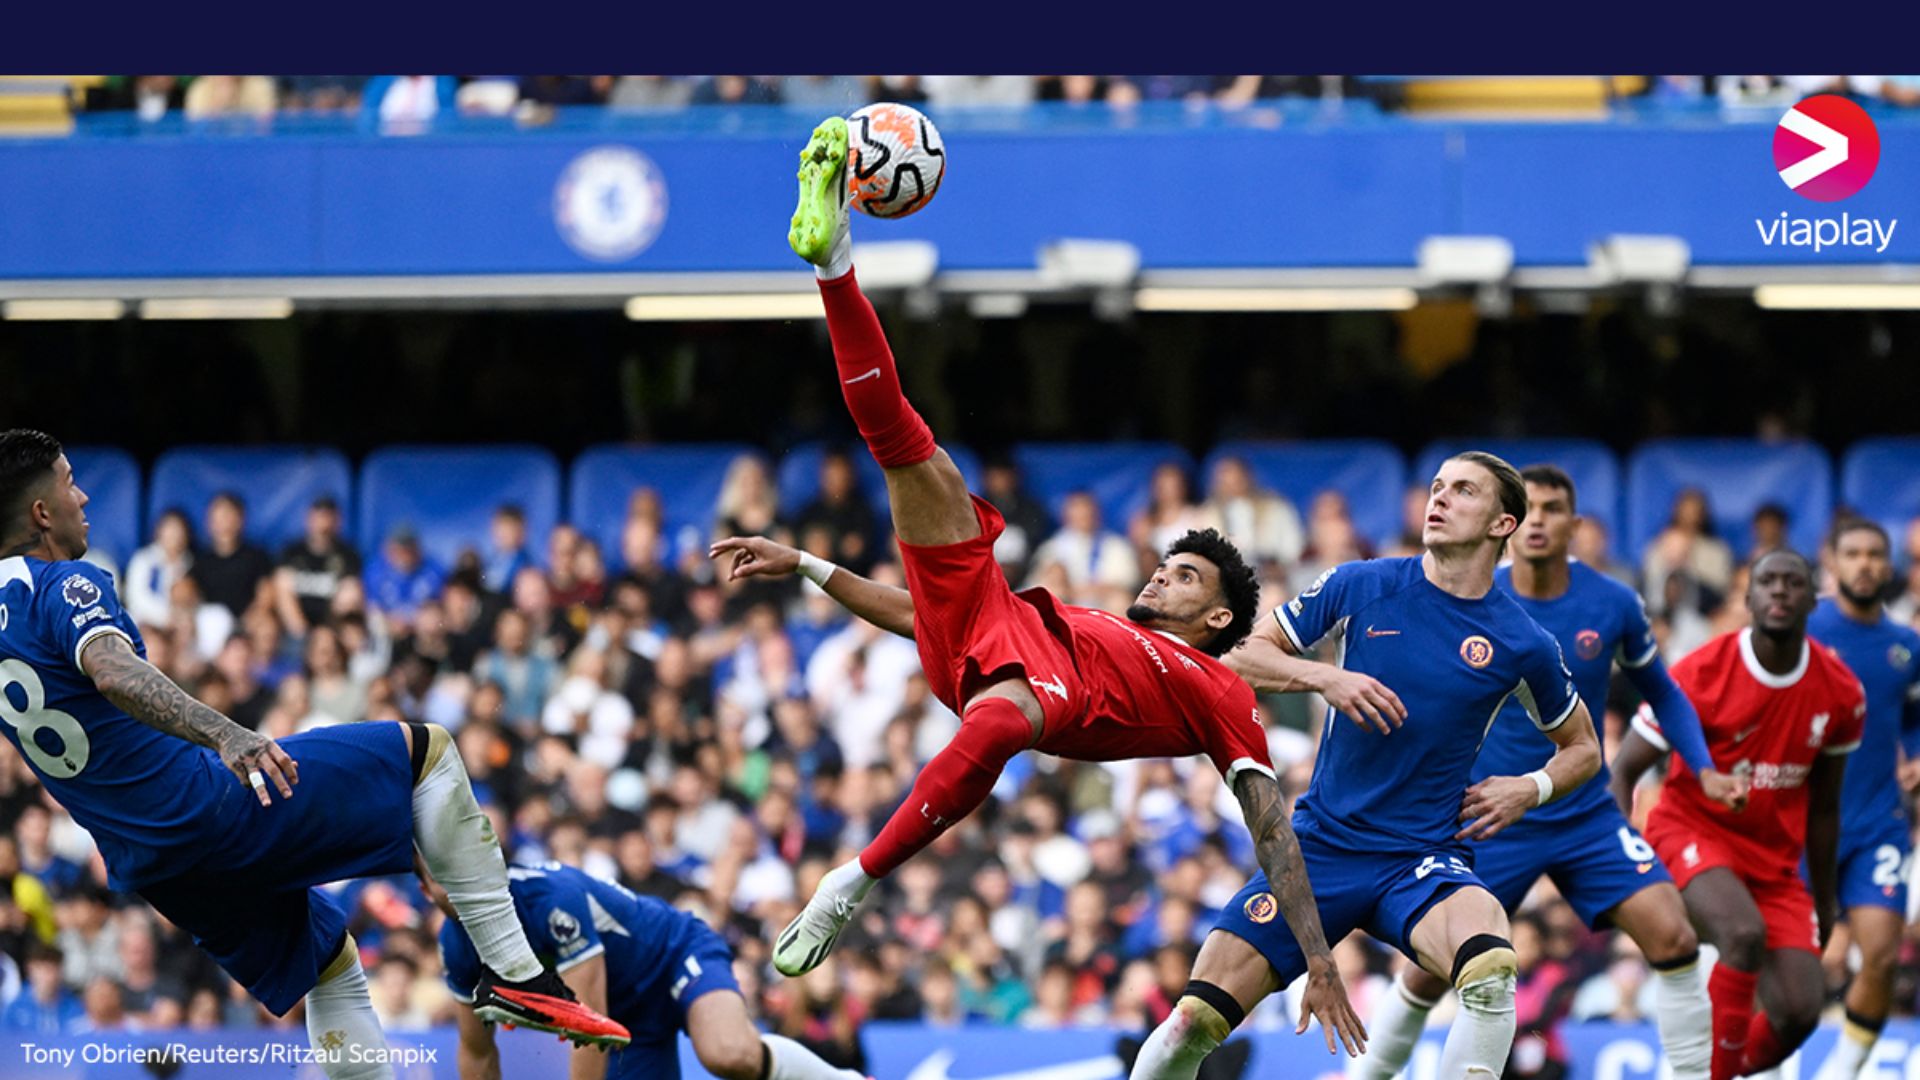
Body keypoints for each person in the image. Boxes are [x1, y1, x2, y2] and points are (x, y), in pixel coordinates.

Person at [722, 116, 1365, 1056]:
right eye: (1165, 560)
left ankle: (850, 883)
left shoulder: (1220, 689)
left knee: (1006, 714)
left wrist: (1318, 958)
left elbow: (1271, 825)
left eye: (1183, 575)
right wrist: (814, 567)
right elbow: (924, 624)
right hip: (989, 626)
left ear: (1219, 616)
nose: (1159, 572)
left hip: (1034, 694)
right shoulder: (1096, 615)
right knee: (911, 454)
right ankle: (833, 262)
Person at [0, 430, 628, 1080]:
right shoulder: (60, 585)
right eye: (69, 482)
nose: (82, 495)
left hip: (153, 869)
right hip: (205, 806)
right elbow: (111, 671)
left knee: (327, 957)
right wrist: (226, 733)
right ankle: (517, 973)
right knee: (428, 749)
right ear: (41, 513)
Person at [1136, 450, 1603, 1080]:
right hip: (1321, 850)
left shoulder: (1523, 642)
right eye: (1437, 486)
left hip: (1422, 858)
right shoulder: (1361, 584)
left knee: (1491, 975)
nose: (1439, 498)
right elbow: (1238, 655)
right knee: (1191, 1026)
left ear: (1503, 525)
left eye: (1463, 491)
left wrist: (1530, 787)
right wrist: (1324, 676)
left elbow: (1583, 748)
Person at [1346, 465, 1741, 1080]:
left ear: (1574, 525)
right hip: (1491, 813)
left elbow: (1662, 692)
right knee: (1427, 974)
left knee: (1676, 939)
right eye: (1530, 509)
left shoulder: (1612, 603)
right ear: (1508, 522)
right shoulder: (1471, 600)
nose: (1540, 521)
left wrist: (1706, 768)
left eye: (1554, 509)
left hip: (1582, 812)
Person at [1611, 548, 1864, 1080]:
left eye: (1791, 583)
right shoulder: (1700, 673)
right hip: (1690, 830)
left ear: (1812, 598)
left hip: (1773, 863)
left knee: (1800, 1010)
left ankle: (1719, 1067)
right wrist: (1614, 858)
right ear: (1746, 597)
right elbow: (1626, 768)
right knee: (1742, 935)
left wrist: (1824, 900)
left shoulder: (1840, 691)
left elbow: (1824, 809)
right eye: (1766, 581)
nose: (1778, 591)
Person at [420, 857, 865, 1080]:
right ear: (423, 889)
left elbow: (590, 1028)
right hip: (624, 1016)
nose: (460, 884)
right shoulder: (457, 947)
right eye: (442, 874)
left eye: (465, 866)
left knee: (729, 1053)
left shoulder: (550, 899)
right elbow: (477, 1052)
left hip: (673, 955)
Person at [1803, 520, 1920, 1080]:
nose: (1866, 564)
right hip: (1798, 827)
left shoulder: (1906, 646)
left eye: (1876, 554)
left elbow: (1914, 713)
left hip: (1877, 822)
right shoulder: (1799, 630)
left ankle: (1841, 1071)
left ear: (1888, 565)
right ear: (1832, 561)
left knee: (1878, 955)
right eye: (1853, 554)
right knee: (1791, 966)